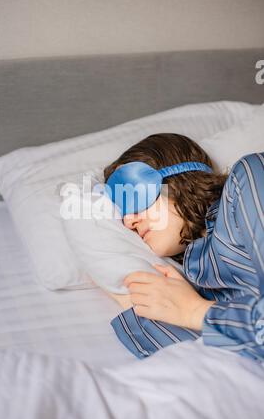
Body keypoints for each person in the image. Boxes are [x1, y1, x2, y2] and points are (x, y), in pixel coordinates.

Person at [103, 133, 264, 361]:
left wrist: (195, 311)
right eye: (121, 213)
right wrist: (131, 297)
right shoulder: (198, 284)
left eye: (132, 195)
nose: (128, 221)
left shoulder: (250, 177)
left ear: (178, 176)